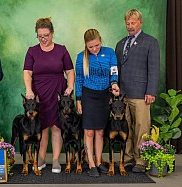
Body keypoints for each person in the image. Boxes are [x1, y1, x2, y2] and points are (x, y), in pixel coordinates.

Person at [23, 17, 75, 173]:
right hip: (39, 92)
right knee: (42, 126)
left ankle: (55, 160)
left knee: (57, 127)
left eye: (46, 35)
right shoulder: (32, 51)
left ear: (52, 33)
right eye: (40, 36)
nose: (43, 39)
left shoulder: (62, 50)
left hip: (58, 90)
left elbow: (70, 71)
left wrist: (70, 86)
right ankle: (41, 157)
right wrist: (29, 90)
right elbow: (27, 72)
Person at [115, 9, 160, 173]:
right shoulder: (120, 44)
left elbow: (154, 69)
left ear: (140, 22)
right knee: (125, 128)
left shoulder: (150, 42)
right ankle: (128, 158)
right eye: (127, 23)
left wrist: (151, 91)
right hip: (122, 95)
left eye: (133, 23)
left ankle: (141, 161)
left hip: (142, 94)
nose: (130, 26)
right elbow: (117, 69)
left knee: (142, 127)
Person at [75, 29, 120, 177]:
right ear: (86, 45)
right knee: (89, 131)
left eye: (97, 45)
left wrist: (114, 84)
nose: (94, 49)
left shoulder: (109, 52)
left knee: (100, 132)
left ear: (101, 40)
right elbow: (79, 79)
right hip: (88, 95)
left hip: (104, 95)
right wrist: (79, 100)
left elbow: (114, 71)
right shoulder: (81, 57)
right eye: (90, 47)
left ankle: (99, 162)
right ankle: (91, 164)